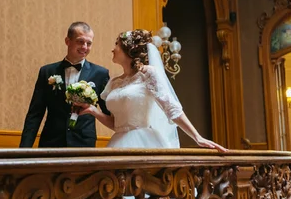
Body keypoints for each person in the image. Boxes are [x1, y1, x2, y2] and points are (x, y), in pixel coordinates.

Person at [77, 29, 228, 152]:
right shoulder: (114, 82)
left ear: (129, 50)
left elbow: (172, 108)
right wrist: (93, 111)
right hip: (118, 142)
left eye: (116, 44)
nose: (112, 48)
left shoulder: (147, 73)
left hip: (144, 142)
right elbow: (117, 124)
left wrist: (197, 137)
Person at [19, 22, 110, 148]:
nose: (85, 47)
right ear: (68, 41)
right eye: (80, 41)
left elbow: (108, 111)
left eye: (89, 43)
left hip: (83, 144)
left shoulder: (100, 73)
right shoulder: (47, 71)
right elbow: (35, 113)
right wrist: (24, 150)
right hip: (51, 142)